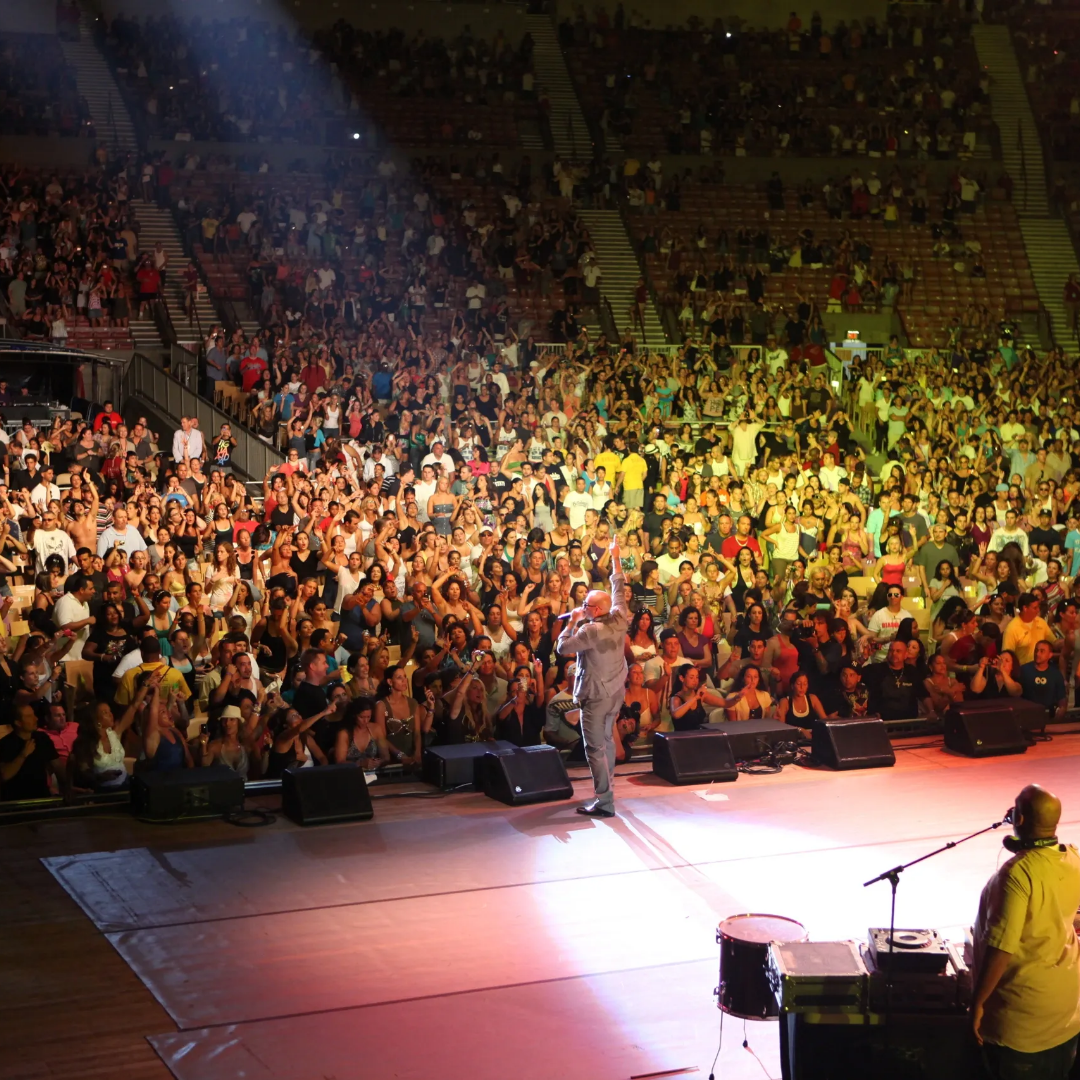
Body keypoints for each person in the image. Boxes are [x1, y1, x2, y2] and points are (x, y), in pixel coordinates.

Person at [972, 784, 1080, 1078]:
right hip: (1066, 1019)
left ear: (1017, 819)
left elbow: (1001, 948)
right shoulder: (1073, 859)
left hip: (1022, 1025)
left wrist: (977, 1002)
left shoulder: (1016, 875)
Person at [555, 539, 629, 818]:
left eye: (586, 605)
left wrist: (572, 622)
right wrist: (615, 557)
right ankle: (607, 791)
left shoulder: (589, 630)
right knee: (607, 742)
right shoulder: (620, 616)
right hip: (615, 691)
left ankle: (604, 801)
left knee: (594, 747)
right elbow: (618, 587)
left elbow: (562, 649)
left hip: (596, 696)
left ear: (596, 610)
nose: (582, 607)